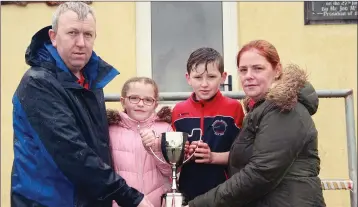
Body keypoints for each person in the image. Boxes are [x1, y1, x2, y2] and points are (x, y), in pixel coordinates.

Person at [11, 2, 153, 207]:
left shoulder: (90, 79)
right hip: (48, 201)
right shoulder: (38, 83)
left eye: (88, 34)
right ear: (53, 37)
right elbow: (72, 152)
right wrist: (130, 197)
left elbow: (97, 148)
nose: (81, 43)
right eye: (72, 33)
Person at [185, 40, 326, 207]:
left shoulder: (284, 109)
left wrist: (199, 205)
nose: (248, 76)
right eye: (243, 70)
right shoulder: (262, 109)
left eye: (258, 68)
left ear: (277, 69)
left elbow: (260, 173)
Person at [171, 47, 245, 203]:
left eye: (211, 76)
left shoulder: (234, 108)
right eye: (198, 77)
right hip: (187, 192)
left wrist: (213, 157)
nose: (204, 84)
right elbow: (173, 159)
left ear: (223, 77)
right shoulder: (178, 111)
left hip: (224, 192)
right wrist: (183, 153)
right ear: (188, 78)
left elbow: (242, 155)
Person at [106, 77, 173, 207]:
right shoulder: (110, 130)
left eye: (148, 100)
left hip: (156, 203)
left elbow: (170, 171)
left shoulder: (165, 129)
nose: (141, 104)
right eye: (134, 98)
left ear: (155, 104)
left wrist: (156, 148)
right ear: (123, 101)